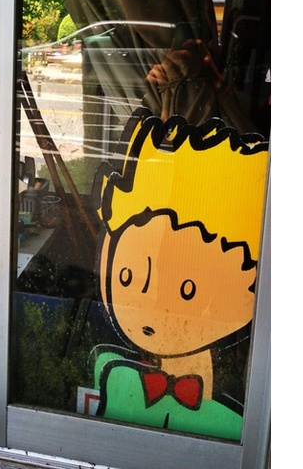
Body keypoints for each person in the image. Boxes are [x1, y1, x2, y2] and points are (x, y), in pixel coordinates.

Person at [90, 107, 269, 440]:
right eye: (127, 277)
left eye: (189, 290)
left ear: (249, 280)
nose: (150, 314)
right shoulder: (115, 379)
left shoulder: (239, 425)